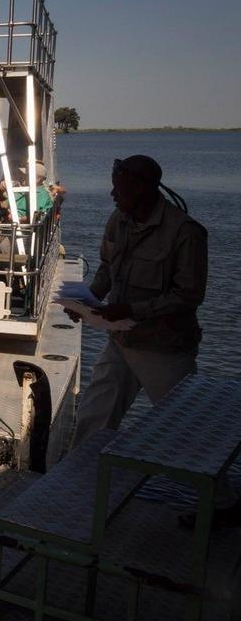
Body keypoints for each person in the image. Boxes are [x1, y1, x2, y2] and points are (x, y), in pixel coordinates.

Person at [70, 155, 207, 445]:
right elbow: (108, 267)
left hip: (163, 349)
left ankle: (212, 491)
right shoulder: (118, 220)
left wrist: (133, 309)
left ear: (142, 189)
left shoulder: (185, 232)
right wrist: (88, 300)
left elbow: (189, 295)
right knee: (92, 420)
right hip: (120, 341)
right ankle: (84, 482)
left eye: (118, 190)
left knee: (185, 435)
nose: (112, 195)